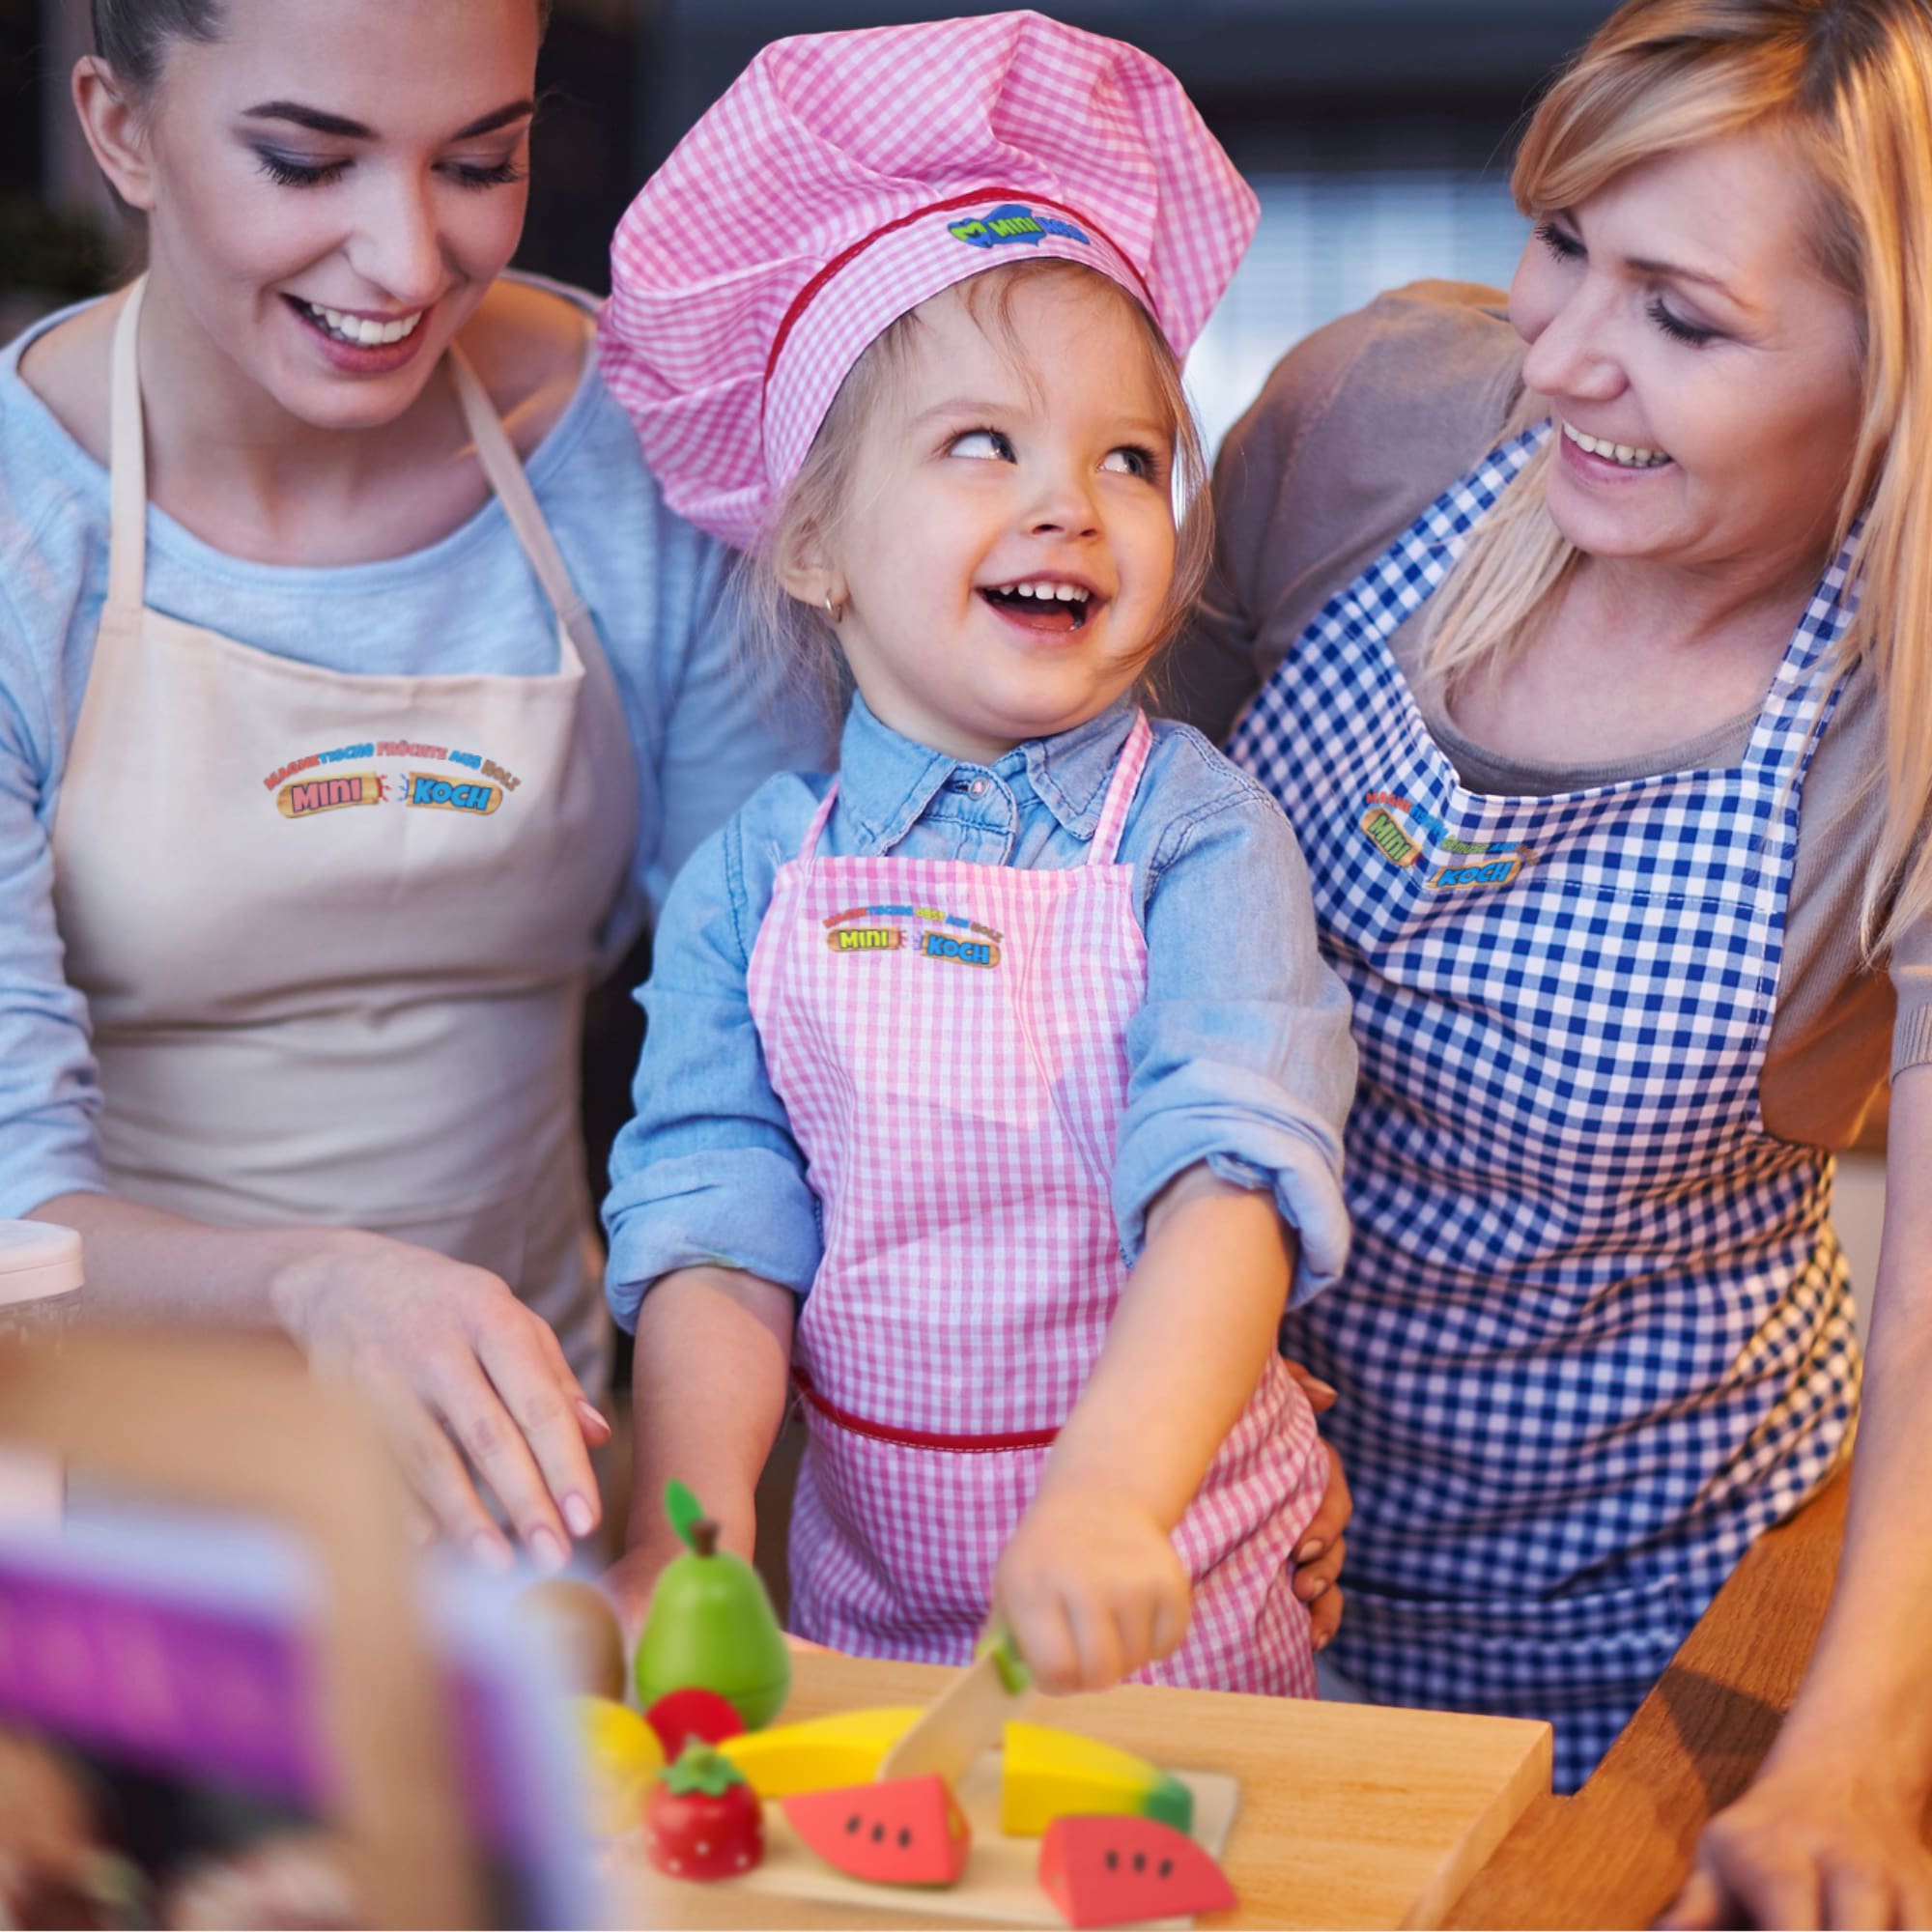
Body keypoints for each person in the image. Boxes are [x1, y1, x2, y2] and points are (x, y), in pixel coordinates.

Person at [1179, 0, 1932, 1916]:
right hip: (1195, 1549)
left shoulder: (1893, 725)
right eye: (1561, 239)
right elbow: (1073, 889)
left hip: (1636, 1627)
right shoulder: (1369, 424)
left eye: (1681, 319)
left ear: (1892, 368)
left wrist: (1844, 1758)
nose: (1564, 356)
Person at [0, 0, 825, 1570]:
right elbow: (10, 1212)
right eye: (309, 163)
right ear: (120, 129)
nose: (406, 260)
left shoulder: (649, 456)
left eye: (478, 161)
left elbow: (793, 1047)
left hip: (540, 1516)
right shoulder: (19, 530)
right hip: (86, 1553)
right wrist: (318, 1284)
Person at [593, 14, 1358, 1695]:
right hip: (857, 1621)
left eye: (1130, 459)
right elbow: (718, 1222)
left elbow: (1232, 1176)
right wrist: (685, 1529)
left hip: (1173, 1584)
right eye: (983, 445)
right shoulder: (753, 875)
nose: (1072, 503)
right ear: (812, 541)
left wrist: (1105, 1503)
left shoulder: (1197, 834)